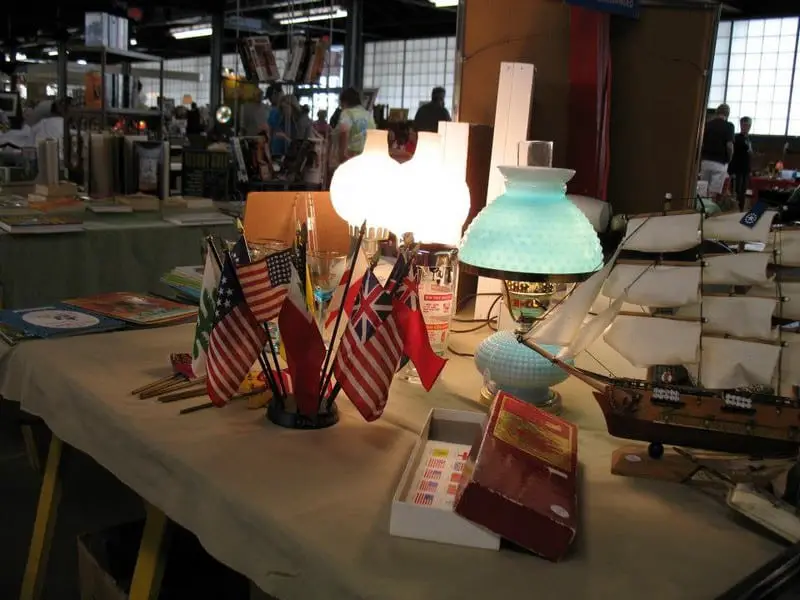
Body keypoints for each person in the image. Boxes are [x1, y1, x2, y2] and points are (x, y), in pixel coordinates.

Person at [330, 87, 376, 170]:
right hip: (369, 157)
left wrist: (342, 155)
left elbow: (344, 132)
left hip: (352, 156)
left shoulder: (347, 113)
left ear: (345, 102)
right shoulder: (368, 114)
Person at [699, 104, 735, 204]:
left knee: (703, 190)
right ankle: (710, 209)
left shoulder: (707, 124)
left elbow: (701, 143)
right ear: (728, 114)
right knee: (713, 193)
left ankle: (701, 208)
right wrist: (730, 158)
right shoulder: (729, 126)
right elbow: (729, 146)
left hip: (705, 161)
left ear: (716, 112)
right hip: (720, 163)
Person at [728, 116, 753, 211]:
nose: (747, 127)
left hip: (746, 169)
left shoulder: (748, 139)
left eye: (749, 125)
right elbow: (732, 154)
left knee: (743, 192)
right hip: (737, 169)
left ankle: (741, 210)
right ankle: (734, 209)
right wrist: (731, 170)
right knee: (736, 191)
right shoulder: (736, 138)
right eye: (745, 125)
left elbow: (750, 153)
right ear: (741, 125)